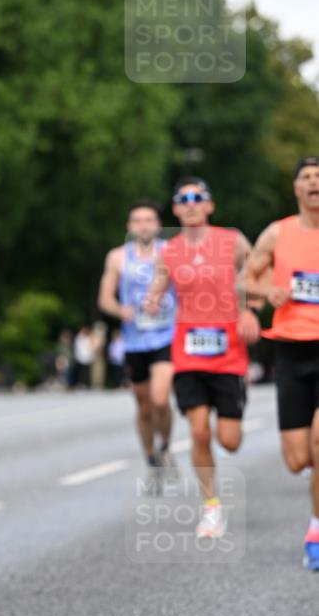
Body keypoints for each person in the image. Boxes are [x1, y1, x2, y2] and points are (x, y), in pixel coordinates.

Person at [144, 177, 260, 538]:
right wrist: (152, 301)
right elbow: (158, 288)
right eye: (183, 199)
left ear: (210, 205)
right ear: (175, 209)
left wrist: (251, 309)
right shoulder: (170, 251)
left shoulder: (233, 240)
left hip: (229, 354)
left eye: (198, 197)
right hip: (189, 352)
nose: (191, 203)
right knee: (197, 431)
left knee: (229, 440)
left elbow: (258, 273)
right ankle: (212, 507)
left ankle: (228, 431)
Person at [246, 156, 319, 570]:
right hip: (291, 349)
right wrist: (264, 291)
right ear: (296, 188)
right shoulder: (278, 233)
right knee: (297, 459)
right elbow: (244, 279)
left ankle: (315, 528)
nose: (313, 183)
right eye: (306, 177)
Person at [98, 201, 178, 490]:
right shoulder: (118, 257)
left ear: (158, 224)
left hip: (166, 336)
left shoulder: (171, 252)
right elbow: (104, 298)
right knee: (144, 407)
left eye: (149, 219)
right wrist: (121, 311)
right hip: (134, 340)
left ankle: (167, 445)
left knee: (160, 398)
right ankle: (151, 456)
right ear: (129, 227)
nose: (143, 225)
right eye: (137, 220)